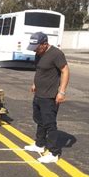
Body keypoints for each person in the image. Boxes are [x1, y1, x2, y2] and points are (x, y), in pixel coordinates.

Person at [24, 32, 70, 163]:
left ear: (45, 44)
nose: (35, 50)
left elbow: (65, 71)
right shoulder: (38, 54)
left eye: (37, 47)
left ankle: (54, 153)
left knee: (49, 123)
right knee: (39, 120)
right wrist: (34, 83)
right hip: (39, 94)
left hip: (50, 96)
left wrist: (61, 92)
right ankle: (39, 144)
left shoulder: (56, 54)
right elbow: (39, 70)